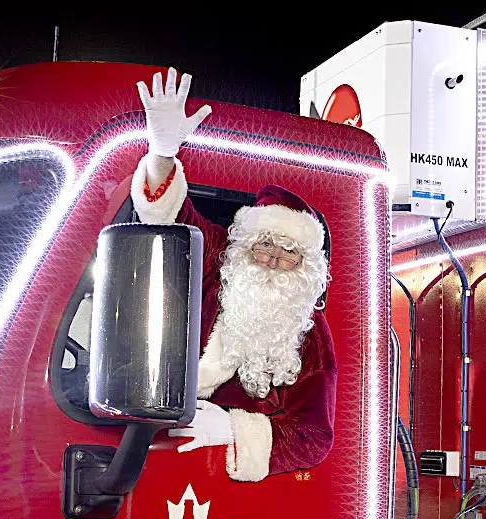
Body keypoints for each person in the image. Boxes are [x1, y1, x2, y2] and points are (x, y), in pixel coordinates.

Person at [131, 68, 337, 483]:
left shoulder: (309, 335)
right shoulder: (215, 266)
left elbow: (314, 437)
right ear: (244, 246)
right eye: (265, 245)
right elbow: (172, 217)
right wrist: (162, 153)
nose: (273, 260)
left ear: (306, 268)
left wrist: (231, 429)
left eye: (289, 252)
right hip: (148, 452)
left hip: (220, 480)